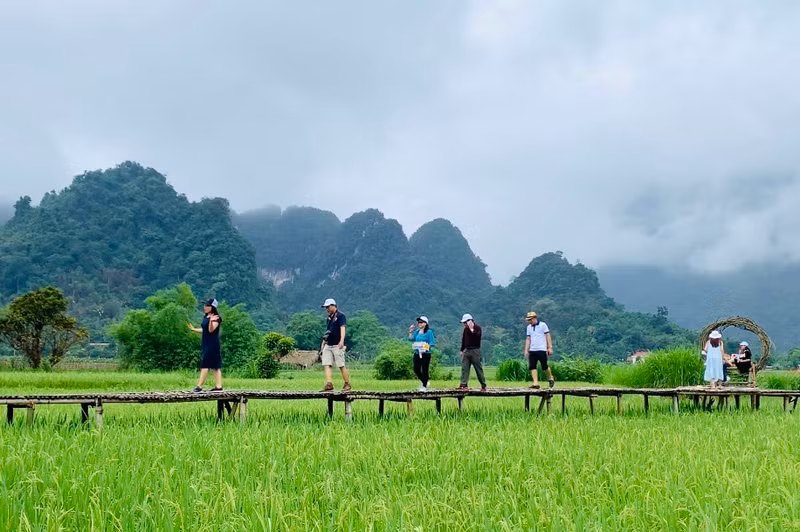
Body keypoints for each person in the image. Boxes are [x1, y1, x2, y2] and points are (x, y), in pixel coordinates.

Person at [188, 298, 223, 392]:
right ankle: (219, 387)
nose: (205, 307)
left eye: (207, 306)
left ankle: (199, 386)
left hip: (213, 344)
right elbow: (205, 330)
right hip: (206, 344)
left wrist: (211, 321)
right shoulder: (206, 317)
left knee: (206, 364)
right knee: (215, 365)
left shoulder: (216, 318)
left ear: (212, 307)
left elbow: (211, 330)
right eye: (205, 305)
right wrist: (194, 329)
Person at [319, 298, 351, 392]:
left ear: (333, 306)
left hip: (337, 344)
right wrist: (323, 342)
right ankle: (329, 384)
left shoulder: (341, 316)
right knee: (326, 363)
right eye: (326, 308)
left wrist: (341, 341)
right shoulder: (329, 318)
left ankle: (347, 384)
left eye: (328, 307)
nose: (327, 309)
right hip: (329, 344)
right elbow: (328, 332)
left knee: (340, 364)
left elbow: (342, 328)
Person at [524, 311, 554, 389]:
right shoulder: (529, 327)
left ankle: (550, 377)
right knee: (532, 366)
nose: (529, 321)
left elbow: (548, 336)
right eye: (528, 320)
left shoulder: (543, 325)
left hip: (541, 349)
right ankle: (535, 383)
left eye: (530, 320)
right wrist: (526, 350)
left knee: (544, 366)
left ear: (535, 318)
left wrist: (549, 347)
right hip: (532, 349)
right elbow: (528, 339)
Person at [458, 313, 487, 391]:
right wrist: (461, 350)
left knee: (478, 368)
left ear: (470, 321)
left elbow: (477, 336)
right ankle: (464, 385)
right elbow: (463, 340)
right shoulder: (465, 330)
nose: (464, 324)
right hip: (467, 350)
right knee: (465, 368)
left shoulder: (478, 328)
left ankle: (483, 385)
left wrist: (471, 329)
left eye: (465, 322)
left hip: (475, 351)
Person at [408, 316, 435, 392]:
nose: (419, 324)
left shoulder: (429, 332)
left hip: (425, 354)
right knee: (416, 369)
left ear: (425, 323)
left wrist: (424, 347)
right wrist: (410, 331)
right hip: (417, 353)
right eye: (419, 322)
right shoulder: (417, 331)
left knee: (425, 369)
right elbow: (411, 339)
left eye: (421, 322)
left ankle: (424, 386)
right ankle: (424, 381)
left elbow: (432, 343)